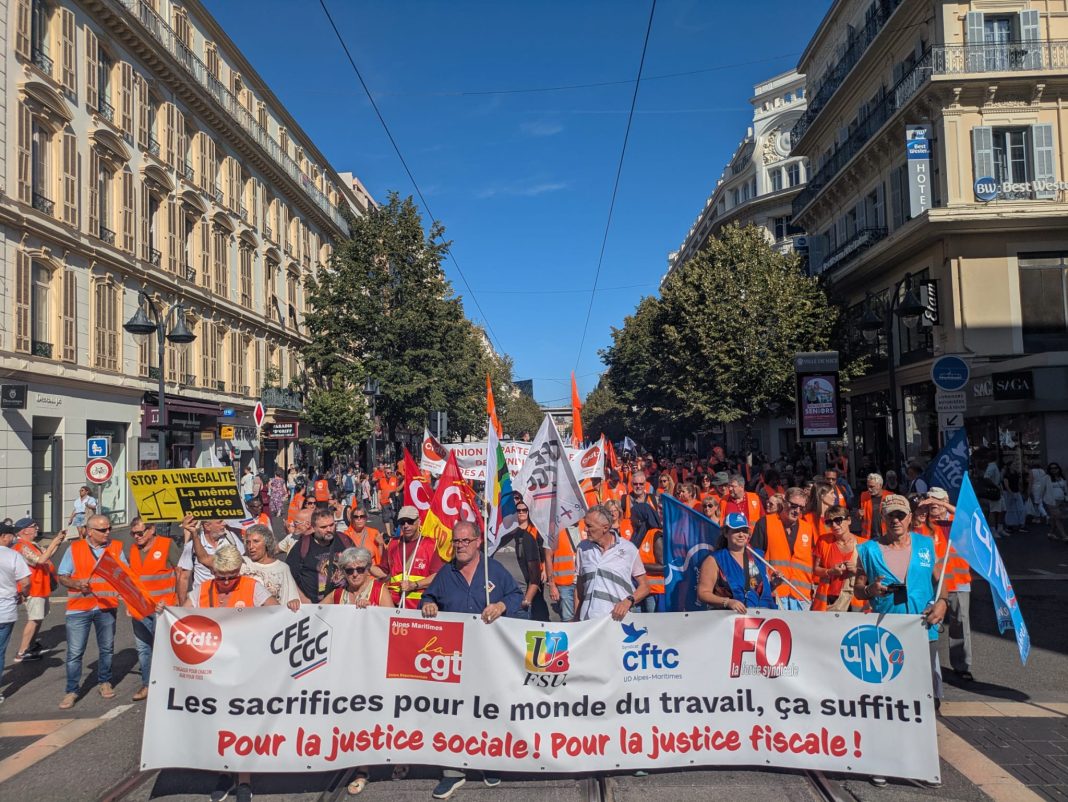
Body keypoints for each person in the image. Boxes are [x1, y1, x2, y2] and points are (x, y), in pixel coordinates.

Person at [421, 520, 522, 801]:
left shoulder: (494, 570)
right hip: (453, 659)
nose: (461, 546)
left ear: (478, 542)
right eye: (456, 541)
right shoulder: (445, 573)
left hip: (489, 658)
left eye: (466, 541)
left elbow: (515, 595)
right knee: (454, 713)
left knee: (488, 711)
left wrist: (502, 605)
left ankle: (489, 762)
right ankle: (453, 772)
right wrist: (428, 604)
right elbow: (428, 597)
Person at [852, 494, 947, 741]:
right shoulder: (868, 550)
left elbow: (940, 579)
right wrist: (870, 591)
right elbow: (858, 589)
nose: (896, 520)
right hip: (886, 631)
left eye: (900, 515)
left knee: (923, 692)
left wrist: (943, 602)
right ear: (882, 518)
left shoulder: (925, 545)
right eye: (890, 515)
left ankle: (923, 750)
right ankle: (888, 748)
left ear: (909, 519)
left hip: (923, 628)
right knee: (888, 693)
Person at [186, 544, 275, 802]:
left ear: (239, 571)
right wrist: (165, 612)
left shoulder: (250, 586)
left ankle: (244, 779)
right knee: (217, 724)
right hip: (212, 669)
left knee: (243, 722)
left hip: (245, 668)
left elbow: (274, 610)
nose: (225, 582)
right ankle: (224, 773)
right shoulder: (202, 589)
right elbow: (182, 614)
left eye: (231, 576)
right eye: (220, 576)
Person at [56, 514, 124, 709]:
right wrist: (76, 583)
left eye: (109, 528)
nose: (108, 532)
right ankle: (71, 690)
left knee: (107, 649)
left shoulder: (116, 547)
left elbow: (125, 574)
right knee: (75, 653)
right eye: (103, 530)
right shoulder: (75, 548)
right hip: (79, 608)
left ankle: (104, 681)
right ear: (90, 531)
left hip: (106, 606)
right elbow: (63, 576)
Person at [127, 519, 176, 701]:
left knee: (163, 648)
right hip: (140, 608)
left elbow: (181, 572)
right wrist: (129, 604)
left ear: (152, 530)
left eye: (140, 533)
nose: (137, 537)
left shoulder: (167, 545)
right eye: (134, 534)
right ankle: (147, 684)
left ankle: (169, 685)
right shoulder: (133, 550)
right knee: (143, 649)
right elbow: (131, 579)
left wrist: (177, 600)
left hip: (163, 608)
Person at [573, 505, 651, 621]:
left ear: (605, 528)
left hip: (617, 622)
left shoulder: (629, 549)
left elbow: (645, 586)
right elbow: (579, 589)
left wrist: (628, 601)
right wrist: (576, 618)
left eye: (589, 526)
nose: (585, 529)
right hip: (588, 624)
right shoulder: (582, 548)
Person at [696, 513, 774, 612]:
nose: (741, 535)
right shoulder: (714, 560)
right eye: (736, 531)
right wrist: (727, 602)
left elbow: (757, 589)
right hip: (732, 621)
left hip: (765, 618)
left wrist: (774, 584)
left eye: (745, 531)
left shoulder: (758, 557)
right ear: (725, 533)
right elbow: (703, 593)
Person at [756, 487, 815, 611]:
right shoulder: (765, 523)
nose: (797, 511)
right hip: (773, 594)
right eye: (793, 506)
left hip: (801, 598)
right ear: (783, 502)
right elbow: (754, 560)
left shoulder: (808, 529)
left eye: (801, 508)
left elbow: (811, 562)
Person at [11, 517, 61, 662]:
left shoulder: (32, 544)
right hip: (34, 588)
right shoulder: (21, 547)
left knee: (38, 618)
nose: (37, 528)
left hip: (41, 587)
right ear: (25, 530)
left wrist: (56, 542)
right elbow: (40, 560)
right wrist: (55, 543)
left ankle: (31, 646)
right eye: (34, 526)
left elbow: (47, 554)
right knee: (34, 619)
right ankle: (22, 652)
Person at [285, 509, 352, 603]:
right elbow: (287, 574)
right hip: (315, 605)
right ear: (313, 527)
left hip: (343, 602)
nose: (329, 529)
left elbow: (359, 566)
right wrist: (302, 598)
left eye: (332, 525)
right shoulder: (303, 545)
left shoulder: (344, 540)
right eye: (323, 527)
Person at [176, 517, 245, 605]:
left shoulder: (231, 539)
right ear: (207, 526)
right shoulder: (192, 545)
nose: (224, 523)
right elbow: (183, 577)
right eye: (219, 522)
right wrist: (182, 609)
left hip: (230, 596)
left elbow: (243, 565)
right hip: (203, 599)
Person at [385, 505, 443, 609]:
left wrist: (415, 585)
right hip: (394, 605)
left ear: (419, 521)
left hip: (420, 607)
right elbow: (383, 570)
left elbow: (437, 576)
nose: (406, 525)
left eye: (410, 521)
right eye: (402, 522)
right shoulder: (393, 543)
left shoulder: (430, 545)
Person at [500, 500, 549, 622]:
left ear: (529, 512)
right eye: (518, 510)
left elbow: (543, 551)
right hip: (522, 571)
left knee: (537, 601)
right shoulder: (504, 536)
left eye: (524, 510)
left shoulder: (535, 530)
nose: (521, 513)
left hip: (535, 571)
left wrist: (544, 569)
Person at [239, 524, 305, 610]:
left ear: (267, 543)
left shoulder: (282, 568)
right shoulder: (241, 562)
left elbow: (290, 598)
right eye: (248, 542)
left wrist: (293, 602)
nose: (251, 546)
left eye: (256, 541)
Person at [0, 523, 31, 704]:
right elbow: (25, 582)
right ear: (4, 536)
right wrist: (22, 594)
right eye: (11, 535)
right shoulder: (13, 555)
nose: (13, 539)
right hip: (5, 610)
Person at [812, 505, 863, 611]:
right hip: (829, 602)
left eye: (838, 520)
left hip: (855, 602)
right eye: (829, 522)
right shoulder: (823, 541)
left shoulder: (864, 544)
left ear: (849, 520)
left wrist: (856, 570)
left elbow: (873, 575)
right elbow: (815, 569)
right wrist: (830, 571)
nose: (834, 525)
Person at [345, 506, 386, 578]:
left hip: (372, 575)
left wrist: (380, 544)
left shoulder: (374, 532)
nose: (359, 519)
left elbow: (382, 559)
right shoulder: (346, 535)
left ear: (366, 518)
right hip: (354, 575)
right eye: (356, 517)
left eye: (362, 516)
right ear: (352, 519)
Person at [858, 473, 888, 539]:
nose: (869, 489)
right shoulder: (863, 496)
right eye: (868, 486)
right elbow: (859, 514)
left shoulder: (890, 496)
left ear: (880, 485)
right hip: (868, 537)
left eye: (872, 486)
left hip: (886, 536)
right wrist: (858, 514)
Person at [1046, 462, 1068, 542]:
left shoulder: (1062, 477)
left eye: (1055, 468)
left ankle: (1051, 533)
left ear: (1058, 468)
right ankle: (1064, 536)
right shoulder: (1047, 478)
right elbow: (1042, 489)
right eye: (1051, 468)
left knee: (1054, 518)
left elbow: (1065, 489)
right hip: (1051, 501)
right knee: (1058, 518)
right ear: (1049, 470)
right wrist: (1038, 500)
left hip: (1061, 500)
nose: (1053, 469)